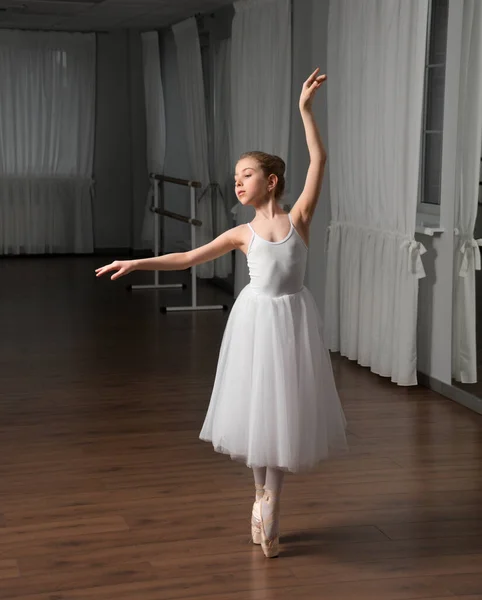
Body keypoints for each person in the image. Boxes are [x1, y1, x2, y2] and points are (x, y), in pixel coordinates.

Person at [95, 68, 348, 558]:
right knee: (258, 409)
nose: (237, 181)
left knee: (284, 411)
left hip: (291, 323)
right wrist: (137, 259)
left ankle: (270, 497)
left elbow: (320, 158)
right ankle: (262, 494)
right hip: (255, 323)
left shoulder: (299, 218)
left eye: (246, 174)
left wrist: (304, 111)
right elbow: (188, 258)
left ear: (271, 181)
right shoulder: (241, 233)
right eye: (235, 176)